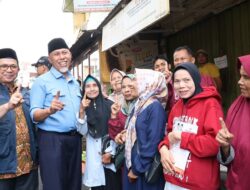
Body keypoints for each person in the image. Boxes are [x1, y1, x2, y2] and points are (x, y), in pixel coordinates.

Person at [159, 63, 223, 190]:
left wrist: (182, 137)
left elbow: (214, 144)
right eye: (177, 81)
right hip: (173, 179)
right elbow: (170, 135)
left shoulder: (210, 104)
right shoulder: (177, 106)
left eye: (186, 80)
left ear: (196, 79)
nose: (181, 85)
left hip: (198, 184)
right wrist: (163, 148)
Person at [30, 38, 82, 190]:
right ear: (50, 59)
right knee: (55, 185)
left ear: (70, 55)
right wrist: (49, 110)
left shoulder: (75, 82)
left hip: (75, 139)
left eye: (64, 52)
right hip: (52, 141)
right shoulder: (41, 82)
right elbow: (34, 114)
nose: (62, 57)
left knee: (74, 185)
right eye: (57, 54)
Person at [0, 48, 38, 190]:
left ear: (18, 69)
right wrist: (8, 106)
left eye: (13, 66)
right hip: (3, 167)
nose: (9, 70)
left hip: (28, 165)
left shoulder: (25, 93)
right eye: (4, 66)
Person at [123, 69, 167, 190]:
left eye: (137, 81)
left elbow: (153, 142)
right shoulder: (140, 104)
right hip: (134, 163)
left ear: (149, 83)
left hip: (143, 169)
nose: (133, 84)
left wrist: (137, 169)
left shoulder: (155, 107)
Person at [76, 75, 122, 190]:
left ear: (99, 87)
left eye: (94, 85)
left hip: (110, 154)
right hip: (94, 157)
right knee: (98, 186)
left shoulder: (110, 104)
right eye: (88, 86)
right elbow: (83, 131)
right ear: (84, 90)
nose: (92, 89)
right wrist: (82, 111)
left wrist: (111, 153)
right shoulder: (83, 106)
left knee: (113, 185)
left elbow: (117, 130)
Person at [216, 54, 250, 189]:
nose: (239, 81)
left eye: (246, 77)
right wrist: (225, 147)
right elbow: (229, 157)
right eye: (240, 76)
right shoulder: (236, 108)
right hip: (238, 183)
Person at [108, 74, 138, 142]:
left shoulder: (143, 106)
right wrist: (114, 116)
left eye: (130, 86)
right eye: (123, 87)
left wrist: (127, 134)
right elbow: (114, 135)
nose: (126, 90)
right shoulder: (122, 108)